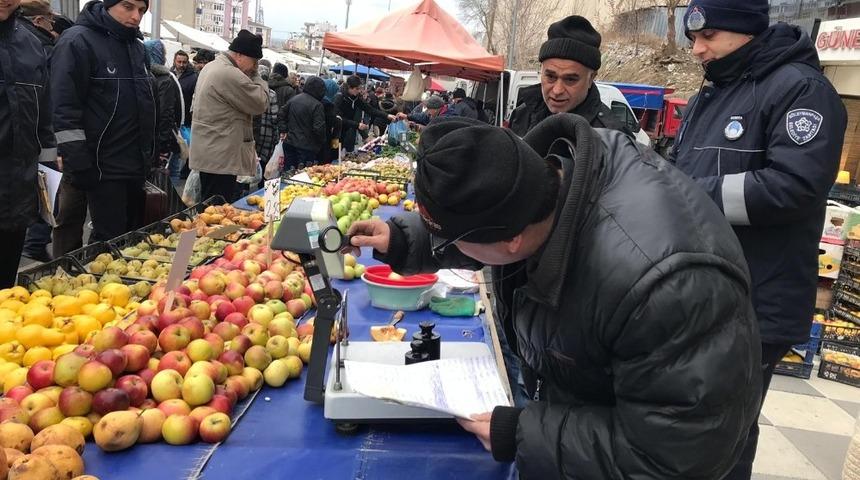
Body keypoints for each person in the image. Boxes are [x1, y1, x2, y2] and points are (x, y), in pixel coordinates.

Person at [347, 114, 761, 479]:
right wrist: (404, 239)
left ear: (510, 240)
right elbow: (490, 215)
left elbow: (678, 456)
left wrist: (527, 434)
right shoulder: (548, 181)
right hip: (591, 397)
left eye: (450, 237)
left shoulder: (664, 288)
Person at [670, 1, 848, 478]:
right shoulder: (718, 91)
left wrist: (688, 195)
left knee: (725, 436)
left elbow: (794, 187)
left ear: (745, 31)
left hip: (755, 302)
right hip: (706, 294)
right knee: (691, 428)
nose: (698, 50)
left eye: (708, 37)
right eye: (693, 40)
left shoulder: (801, 91)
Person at [52, 0, 156, 243]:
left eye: (141, 10)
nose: (136, 16)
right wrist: (79, 162)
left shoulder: (138, 48)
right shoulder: (77, 41)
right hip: (99, 166)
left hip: (134, 165)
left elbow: (144, 104)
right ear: (108, 5)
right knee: (105, 239)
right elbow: (63, 106)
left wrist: (150, 154)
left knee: (127, 240)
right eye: (128, 7)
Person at [0, 0, 55, 285]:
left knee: (6, 292)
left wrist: (48, 166)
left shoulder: (31, 46)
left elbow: (44, 118)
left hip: (17, 190)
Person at [509, 15, 629, 137]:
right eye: (550, 77)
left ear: (591, 78)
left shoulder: (613, 138)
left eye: (570, 79)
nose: (557, 91)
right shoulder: (522, 114)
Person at [189, 29, 268, 202]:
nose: (254, 66)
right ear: (239, 55)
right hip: (220, 156)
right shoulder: (228, 73)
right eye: (254, 61)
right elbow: (260, 101)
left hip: (212, 151)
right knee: (217, 210)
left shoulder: (212, 66)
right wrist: (257, 76)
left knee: (210, 205)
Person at [18, 0, 58, 263]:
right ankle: (35, 243)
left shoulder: (32, 47)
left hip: (27, 145)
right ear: (38, 21)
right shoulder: (41, 49)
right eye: (50, 20)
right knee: (44, 192)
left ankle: (33, 242)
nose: (53, 26)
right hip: (32, 146)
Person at [334, 75, 397, 152]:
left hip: (348, 131)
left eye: (360, 88)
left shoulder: (355, 98)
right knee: (335, 154)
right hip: (336, 133)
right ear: (349, 87)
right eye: (357, 89)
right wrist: (357, 125)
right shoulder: (339, 98)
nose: (359, 91)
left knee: (345, 153)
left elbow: (369, 109)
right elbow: (338, 118)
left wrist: (387, 115)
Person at [144, 40, 180, 168]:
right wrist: (163, 144)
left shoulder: (142, 75)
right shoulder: (165, 80)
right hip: (159, 140)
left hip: (145, 139)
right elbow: (166, 113)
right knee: (166, 176)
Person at [278, 76, 327, 170]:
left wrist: (283, 130)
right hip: (307, 147)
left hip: (290, 143)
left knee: (288, 172)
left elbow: (281, 114)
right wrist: (321, 143)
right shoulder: (317, 105)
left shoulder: (294, 99)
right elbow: (319, 128)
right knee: (303, 176)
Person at [318, 78, 342, 164]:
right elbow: (332, 122)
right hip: (325, 138)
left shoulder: (317, 99)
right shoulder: (328, 104)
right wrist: (338, 120)